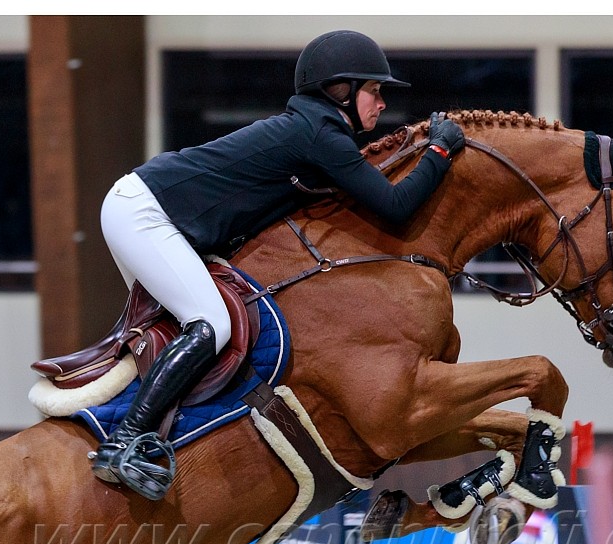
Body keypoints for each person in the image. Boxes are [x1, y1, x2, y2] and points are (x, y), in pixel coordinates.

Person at [90, 29, 466, 500]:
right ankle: (123, 443)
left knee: (195, 329)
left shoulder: (317, 129)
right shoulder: (323, 135)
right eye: (374, 90)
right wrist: (439, 152)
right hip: (146, 213)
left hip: (149, 210)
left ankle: (153, 433)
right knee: (210, 324)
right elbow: (394, 206)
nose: (382, 103)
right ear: (340, 91)